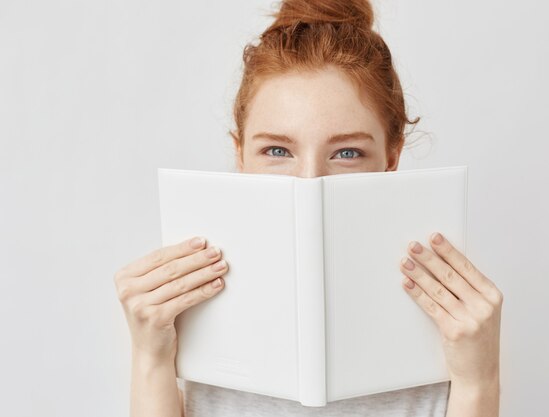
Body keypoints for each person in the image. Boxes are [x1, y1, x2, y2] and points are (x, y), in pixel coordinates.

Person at [113, 0, 503, 416]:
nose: (310, 180)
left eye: (348, 152)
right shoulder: (185, 310)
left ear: (391, 158)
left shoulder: (452, 320)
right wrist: (150, 359)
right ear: (240, 155)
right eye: (277, 150)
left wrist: (479, 380)